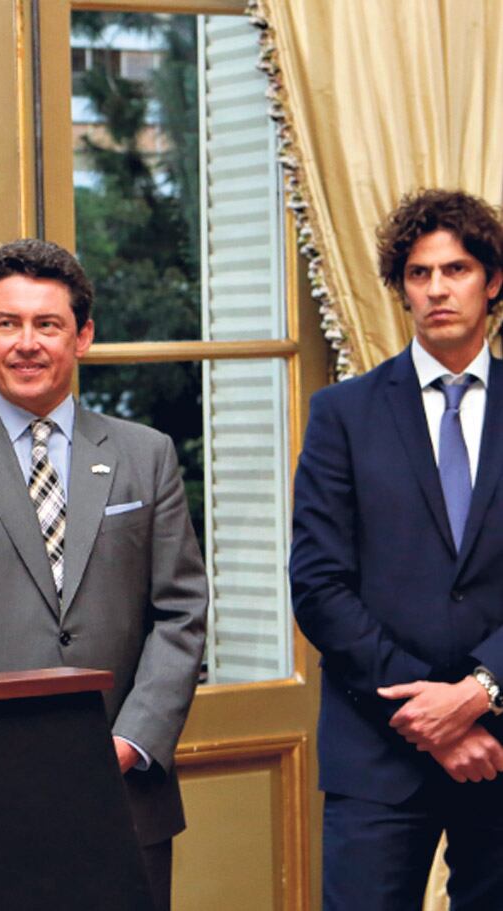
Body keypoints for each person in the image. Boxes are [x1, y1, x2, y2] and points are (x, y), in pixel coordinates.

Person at [0, 238, 208, 911]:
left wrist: (131, 739)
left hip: (124, 796)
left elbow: (181, 613)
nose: (27, 343)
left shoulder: (146, 456)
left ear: (83, 336)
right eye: (8, 323)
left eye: (47, 324)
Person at [290, 188, 503, 909]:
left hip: (501, 744)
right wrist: (428, 718)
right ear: (401, 288)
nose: (437, 288)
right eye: (419, 273)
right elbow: (319, 585)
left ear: (492, 280)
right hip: (376, 757)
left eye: (457, 269)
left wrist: (479, 694)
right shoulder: (342, 414)